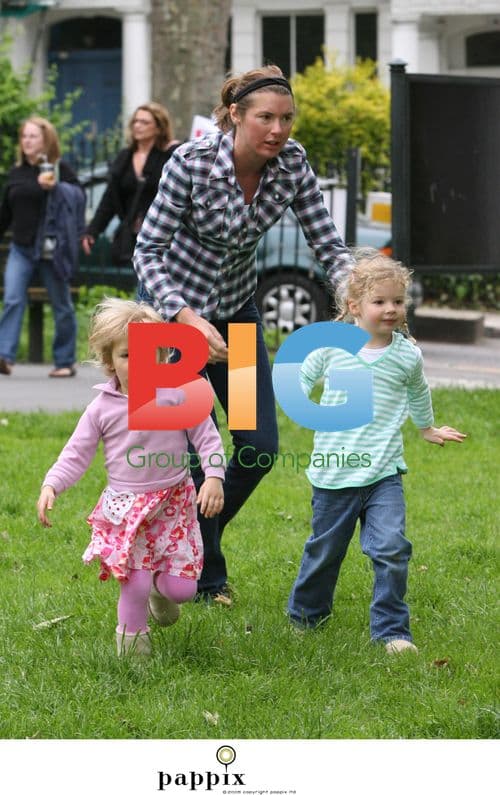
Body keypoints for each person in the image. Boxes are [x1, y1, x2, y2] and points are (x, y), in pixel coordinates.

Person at [133, 65, 354, 604]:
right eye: (265, 118)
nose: (278, 130)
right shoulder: (189, 163)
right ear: (235, 116)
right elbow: (147, 251)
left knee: (258, 447)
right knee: (185, 454)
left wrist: (359, 294)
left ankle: (186, 541)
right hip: (167, 324)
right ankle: (208, 579)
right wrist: (185, 317)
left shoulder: (292, 165)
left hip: (236, 318)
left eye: (286, 118)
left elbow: (328, 244)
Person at [287, 249, 466, 652]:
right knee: (325, 551)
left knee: (391, 549)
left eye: (398, 302)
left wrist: (427, 428)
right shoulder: (332, 347)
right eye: (379, 301)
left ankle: (391, 630)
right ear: (354, 307)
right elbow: (300, 376)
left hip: (384, 474)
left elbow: (419, 392)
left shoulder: (406, 355)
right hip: (335, 473)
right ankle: (306, 616)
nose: (390, 310)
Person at [37, 297, 225, 656]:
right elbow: (76, 453)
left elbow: (206, 436)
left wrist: (214, 476)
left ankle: (162, 589)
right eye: (127, 356)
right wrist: (52, 484)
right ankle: (132, 655)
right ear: (110, 362)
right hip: (127, 508)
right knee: (133, 584)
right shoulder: (101, 409)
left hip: (173, 501)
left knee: (181, 590)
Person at [0, 116, 84, 378]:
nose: (27, 141)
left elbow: (79, 197)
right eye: (24, 136)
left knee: (61, 305)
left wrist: (56, 187)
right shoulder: (16, 173)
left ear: (46, 140)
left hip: (51, 250)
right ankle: (4, 356)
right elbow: (6, 213)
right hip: (22, 248)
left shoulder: (59, 168)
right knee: (13, 298)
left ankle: (64, 361)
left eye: (33, 136)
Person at [82, 102, 180, 269]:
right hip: (132, 235)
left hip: (164, 235)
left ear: (159, 128)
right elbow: (109, 199)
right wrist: (93, 231)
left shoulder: (170, 155)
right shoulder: (125, 158)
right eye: (135, 121)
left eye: (144, 122)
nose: (137, 126)